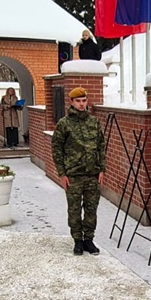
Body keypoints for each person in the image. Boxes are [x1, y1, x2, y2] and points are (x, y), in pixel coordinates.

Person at [51, 86, 106, 256]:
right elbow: (57, 149)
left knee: (91, 209)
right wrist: (62, 173)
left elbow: (101, 146)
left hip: (92, 174)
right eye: (78, 101)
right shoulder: (64, 124)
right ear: (72, 102)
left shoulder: (94, 122)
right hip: (73, 175)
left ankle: (88, 240)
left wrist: (102, 169)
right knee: (74, 210)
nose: (82, 104)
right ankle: (77, 240)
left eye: (84, 100)